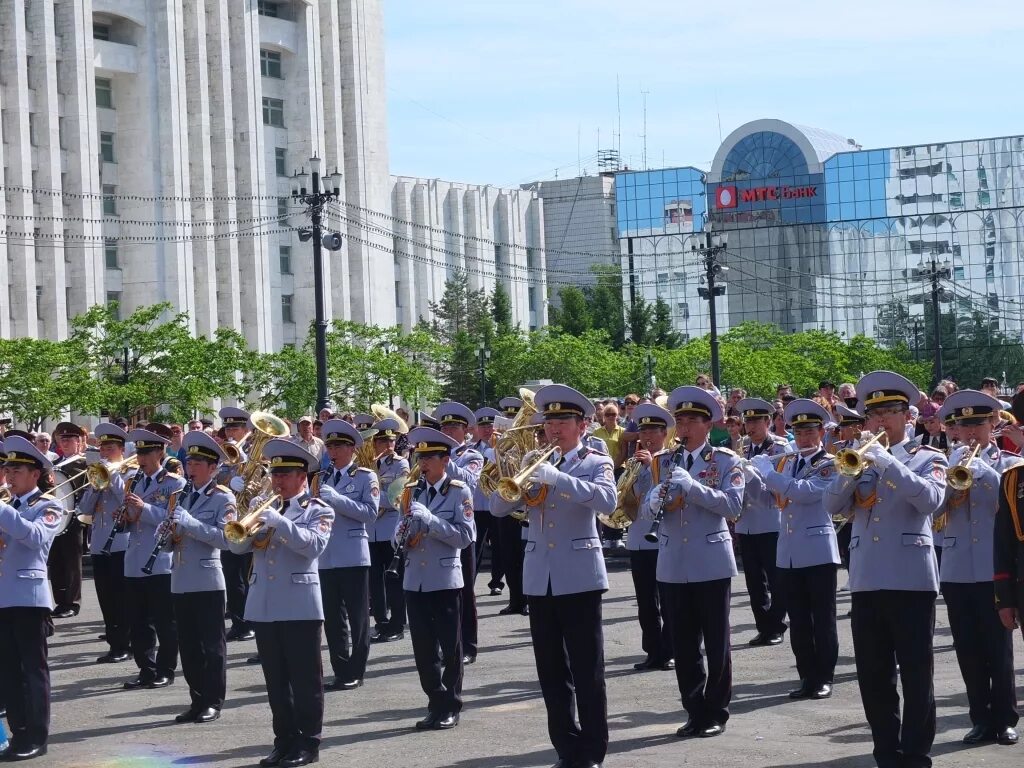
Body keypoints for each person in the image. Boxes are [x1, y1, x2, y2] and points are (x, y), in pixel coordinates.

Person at [824, 371, 947, 768]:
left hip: (911, 578)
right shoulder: (858, 458)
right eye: (873, 414)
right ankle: (885, 751)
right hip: (867, 578)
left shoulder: (930, 458)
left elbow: (930, 500)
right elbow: (832, 506)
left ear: (907, 416)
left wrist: (888, 462)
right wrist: (849, 472)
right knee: (874, 676)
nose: (879, 422)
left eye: (889, 412)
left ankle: (915, 753)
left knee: (915, 673)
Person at [490, 384, 616, 768]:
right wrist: (515, 478)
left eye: (562, 421)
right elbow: (497, 507)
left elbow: (607, 502)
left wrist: (556, 478)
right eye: (549, 422)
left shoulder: (596, 460)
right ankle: (566, 746)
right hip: (539, 577)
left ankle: (592, 750)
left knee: (586, 668)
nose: (553, 429)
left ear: (581, 425)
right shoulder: (534, 459)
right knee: (551, 671)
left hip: (579, 575)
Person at [644, 386, 744, 740]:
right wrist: (653, 501)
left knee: (716, 643)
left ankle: (716, 709)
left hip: (710, 561)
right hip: (672, 561)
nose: (682, 427)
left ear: (706, 425)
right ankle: (693, 709)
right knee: (684, 645)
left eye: (689, 421)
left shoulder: (726, 460)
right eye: (679, 420)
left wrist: (694, 488)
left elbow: (732, 506)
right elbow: (643, 511)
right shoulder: (662, 462)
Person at [227, 439, 333, 768]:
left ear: (303, 476)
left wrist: (280, 523)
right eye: (275, 474)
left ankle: (308, 742)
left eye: (285, 474)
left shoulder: (318, 509)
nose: (278, 481)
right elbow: (236, 548)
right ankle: (283, 741)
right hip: (264, 604)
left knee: (305, 680)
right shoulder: (263, 506)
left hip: (300, 604)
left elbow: (313, 546)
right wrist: (248, 524)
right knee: (275, 680)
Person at [935, 390, 1019, 746]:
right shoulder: (945, 461)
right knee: (967, 648)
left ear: (993, 424)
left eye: (978, 424)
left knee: (998, 649)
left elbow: (1005, 506)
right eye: (963, 424)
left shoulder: (1009, 465)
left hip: (992, 568)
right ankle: (980, 718)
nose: (970, 432)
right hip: (956, 568)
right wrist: (951, 473)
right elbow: (934, 511)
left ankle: (1005, 719)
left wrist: (978, 467)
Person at [751, 400, 839, 701]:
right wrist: (752, 475)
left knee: (822, 618)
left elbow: (805, 493)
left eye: (810, 431)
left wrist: (769, 474)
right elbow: (768, 500)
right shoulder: (787, 463)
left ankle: (824, 676)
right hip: (788, 550)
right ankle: (806, 676)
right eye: (799, 432)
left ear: (821, 432)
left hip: (818, 551)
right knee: (799, 620)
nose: (804, 438)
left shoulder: (829, 464)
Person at [398, 426, 474, 730]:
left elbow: (465, 537)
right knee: (423, 648)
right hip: (413, 578)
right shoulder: (410, 490)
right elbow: (401, 534)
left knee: (450, 646)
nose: (423, 462)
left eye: (429, 457)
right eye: (420, 456)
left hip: (444, 578)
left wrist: (431, 522)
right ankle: (434, 700)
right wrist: (400, 536)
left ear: (445, 460)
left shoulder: (458, 491)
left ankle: (451, 704)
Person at [0, 436, 65, 761]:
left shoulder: (49, 506)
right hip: (3, 597)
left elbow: (35, 537)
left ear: (35, 474)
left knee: (32, 671)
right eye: (7, 470)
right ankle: (18, 733)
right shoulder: (9, 508)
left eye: (16, 470)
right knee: (8, 671)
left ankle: (37, 736)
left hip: (29, 597)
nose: (9, 476)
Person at [166, 431, 237, 724]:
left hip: (208, 580)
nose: (191, 467)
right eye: (190, 461)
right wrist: (167, 533)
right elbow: (174, 539)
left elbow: (226, 539)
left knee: (212, 646)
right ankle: (196, 699)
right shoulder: (178, 496)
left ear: (212, 468)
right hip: (180, 579)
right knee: (189, 647)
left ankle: (213, 701)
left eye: (197, 463)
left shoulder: (223, 498)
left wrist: (190, 523)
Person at [121, 428, 187, 690]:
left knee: (164, 621)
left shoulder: (175, 483)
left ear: (160, 452)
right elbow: (130, 523)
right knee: (137, 623)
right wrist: (124, 516)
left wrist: (143, 508)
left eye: (147, 452)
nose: (141, 457)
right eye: (138, 452)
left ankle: (165, 669)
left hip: (160, 560)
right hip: (134, 559)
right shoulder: (133, 481)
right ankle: (145, 669)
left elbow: (173, 519)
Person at [316, 419, 379, 692]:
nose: (333, 451)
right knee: (333, 618)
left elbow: (370, 513)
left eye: (339, 446)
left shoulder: (366, 476)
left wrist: (336, 500)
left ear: (352, 448)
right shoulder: (321, 477)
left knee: (358, 618)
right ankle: (340, 669)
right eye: (330, 446)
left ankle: (357, 670)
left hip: (353, 555)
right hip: (326, 556)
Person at [734, 398, 790, 647]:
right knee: (754, 581)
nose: (751, 425)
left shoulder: (780, 448)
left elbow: (776, 489)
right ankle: (763, 626)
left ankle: (776, 625)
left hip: (770, 521)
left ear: (768, 422)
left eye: (756, 420)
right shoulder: (741, 447)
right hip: (745, 522)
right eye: (748, 420)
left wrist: (752, 474)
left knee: (776, 579)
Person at [624, 403, 675, 672]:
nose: (647, 437)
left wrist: (648, 468)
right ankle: (652, 651)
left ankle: (669, 649)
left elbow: (666, 493)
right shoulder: (634, 462)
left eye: (653, 431)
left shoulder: (671, 459)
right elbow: (627, 496)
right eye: (643, 431)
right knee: (645, 602)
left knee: (667, 600)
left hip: (664, 537)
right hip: (638, 536)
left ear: (664, 433)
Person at [434, 403, 484, 664]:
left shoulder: (472, 455)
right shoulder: (431, 454)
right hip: (436, 531)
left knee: (464, 590)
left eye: (453, 426)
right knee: (442, 592)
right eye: (444, 426)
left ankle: (468, 645)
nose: (448, 430)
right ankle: (447, 643)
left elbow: (470, 481)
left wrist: (444, 460)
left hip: (462, 531)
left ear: (466, 430)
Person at [78, 424, 132, 663]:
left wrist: (113, 477)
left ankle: (126, 644)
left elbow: (128, 502)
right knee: (106, 598)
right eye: (102, 448)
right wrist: (94, 487)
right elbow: (85, 509)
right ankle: (114, 643)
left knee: (122, 599)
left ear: (121, 450)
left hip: (121, 543)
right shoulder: (96, 473)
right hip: (100, 544)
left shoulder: (129, 473)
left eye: (110, 448)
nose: (105, 453)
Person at [368, 419, 410, 642]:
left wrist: (372, 498)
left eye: (391, 440)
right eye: (383, 440)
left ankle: (397, 624)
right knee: (374, 581)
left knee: (393, 579)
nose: (388, 444)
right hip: (371, 529)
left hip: (390, 529)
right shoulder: (366, 465)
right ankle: (381, 622)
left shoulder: (401, 464)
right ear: (374, 443)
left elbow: (398, 497)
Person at [218, 407, 256, 643]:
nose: (232, 433)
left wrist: (249, 477)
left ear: (246, 430)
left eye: (236, 428)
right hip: (231, 522)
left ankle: (253, 622)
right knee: (232, 576)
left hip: (251, 521)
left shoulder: (256, 453)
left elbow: (269, 480)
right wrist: (229, 479)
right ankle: (239, 622)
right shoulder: (223, 453)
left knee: (250, 576)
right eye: (228, 428)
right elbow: (213, 478)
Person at [47, 422, 89, 618]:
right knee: (56, 561)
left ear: (78, 442)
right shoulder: (54, 464)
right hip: (55, 517)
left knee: (72, 562)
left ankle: (72, 603)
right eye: (61, 439)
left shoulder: (84, 463)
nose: (64, 442)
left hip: (74, 516)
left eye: (69, 439)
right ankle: (60, 601)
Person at [496, 396, 529, 617]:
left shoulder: (529, 443)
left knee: (525, 556)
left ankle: (526, 600)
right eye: (508, 417)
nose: (511, 421)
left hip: (526, 506)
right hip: (507, 503)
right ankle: (514, 599)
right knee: (509, 556)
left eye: (514, 417)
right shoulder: (501, 445)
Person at [471, 408, 504, 596]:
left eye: (490, 425)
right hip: (477, 504)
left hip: (497, 502)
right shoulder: (470, 449)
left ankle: (497, 582)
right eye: (483, 425)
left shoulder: (504, 447)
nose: (487, 429)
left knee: (499, 545)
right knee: (476, 546)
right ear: (476, 428)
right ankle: (470, 582)